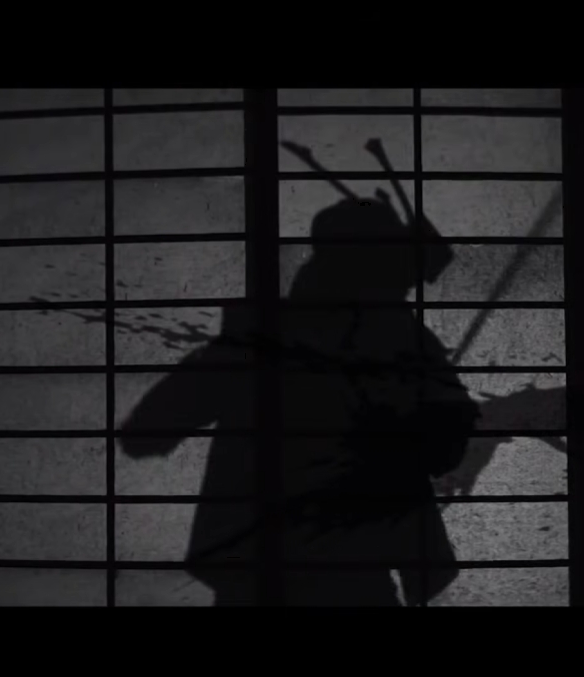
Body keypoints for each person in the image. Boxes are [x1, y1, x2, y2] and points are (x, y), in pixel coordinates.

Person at [119, 143, 479, 606]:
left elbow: (145, 434)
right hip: (356, 573)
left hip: (257, 571)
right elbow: (445, 450)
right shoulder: (404, 341)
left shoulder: (257, 340)